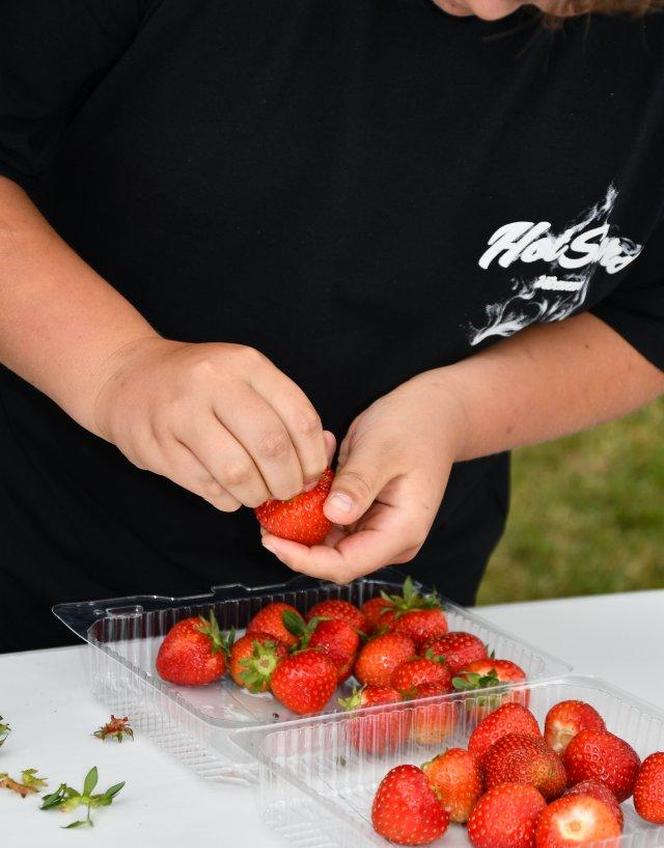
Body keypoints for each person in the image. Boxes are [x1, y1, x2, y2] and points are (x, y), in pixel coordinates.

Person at [1, 0, 663, 653]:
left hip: (381, 624)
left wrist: (458, 413)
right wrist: (116, 368)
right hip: (40, 556)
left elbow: (648, 317)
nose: (491, 8)